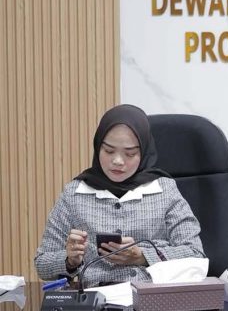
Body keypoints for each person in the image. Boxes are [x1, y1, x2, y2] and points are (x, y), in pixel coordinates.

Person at [35, 104, 205, 286]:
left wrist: (142, 256)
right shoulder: (74, 194)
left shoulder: (164, 190)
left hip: (150, 297)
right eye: (108, 151)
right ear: (98, 147)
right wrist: (70, 261)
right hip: (96, 299)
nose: (117, 161)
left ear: (144, 152)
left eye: (130, 154)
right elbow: (42, 264)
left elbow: (195, 254)